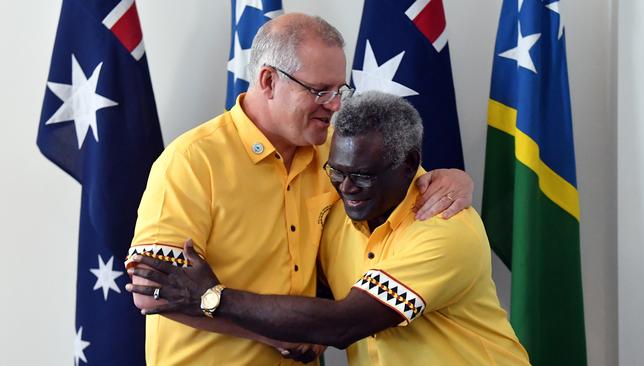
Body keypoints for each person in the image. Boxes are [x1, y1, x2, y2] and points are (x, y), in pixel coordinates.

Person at [125, 13, 473, 366]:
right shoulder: (192, 161)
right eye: (320, 90)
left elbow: (407, 179)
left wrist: (458, 178)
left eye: (340, 90)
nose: (336, 105)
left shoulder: (340, 153)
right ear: (268, 81)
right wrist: (273, 334)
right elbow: (152, 291)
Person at [127, 91, 531, 366]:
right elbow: (153, 289)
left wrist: (212, 297)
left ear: (409, 167)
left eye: (363, 176)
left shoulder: (442, 229)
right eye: (337, 172)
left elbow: (344, 324)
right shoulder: (339, 205)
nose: (346, 187)